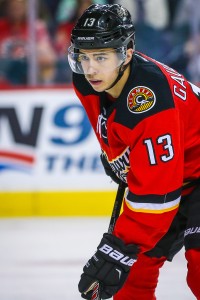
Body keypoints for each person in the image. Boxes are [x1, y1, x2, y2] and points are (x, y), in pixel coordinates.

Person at [67, 4, 200, 299]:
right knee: (131, 281)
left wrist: (117, 250)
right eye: (84, 56)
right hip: (176, 173)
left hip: (191, 174)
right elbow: (114, 129)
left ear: (126, 53)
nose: (90, 68)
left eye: (101, 56)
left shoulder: (150, 101)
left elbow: (157, 196)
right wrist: (114, 154)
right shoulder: (89, 81)